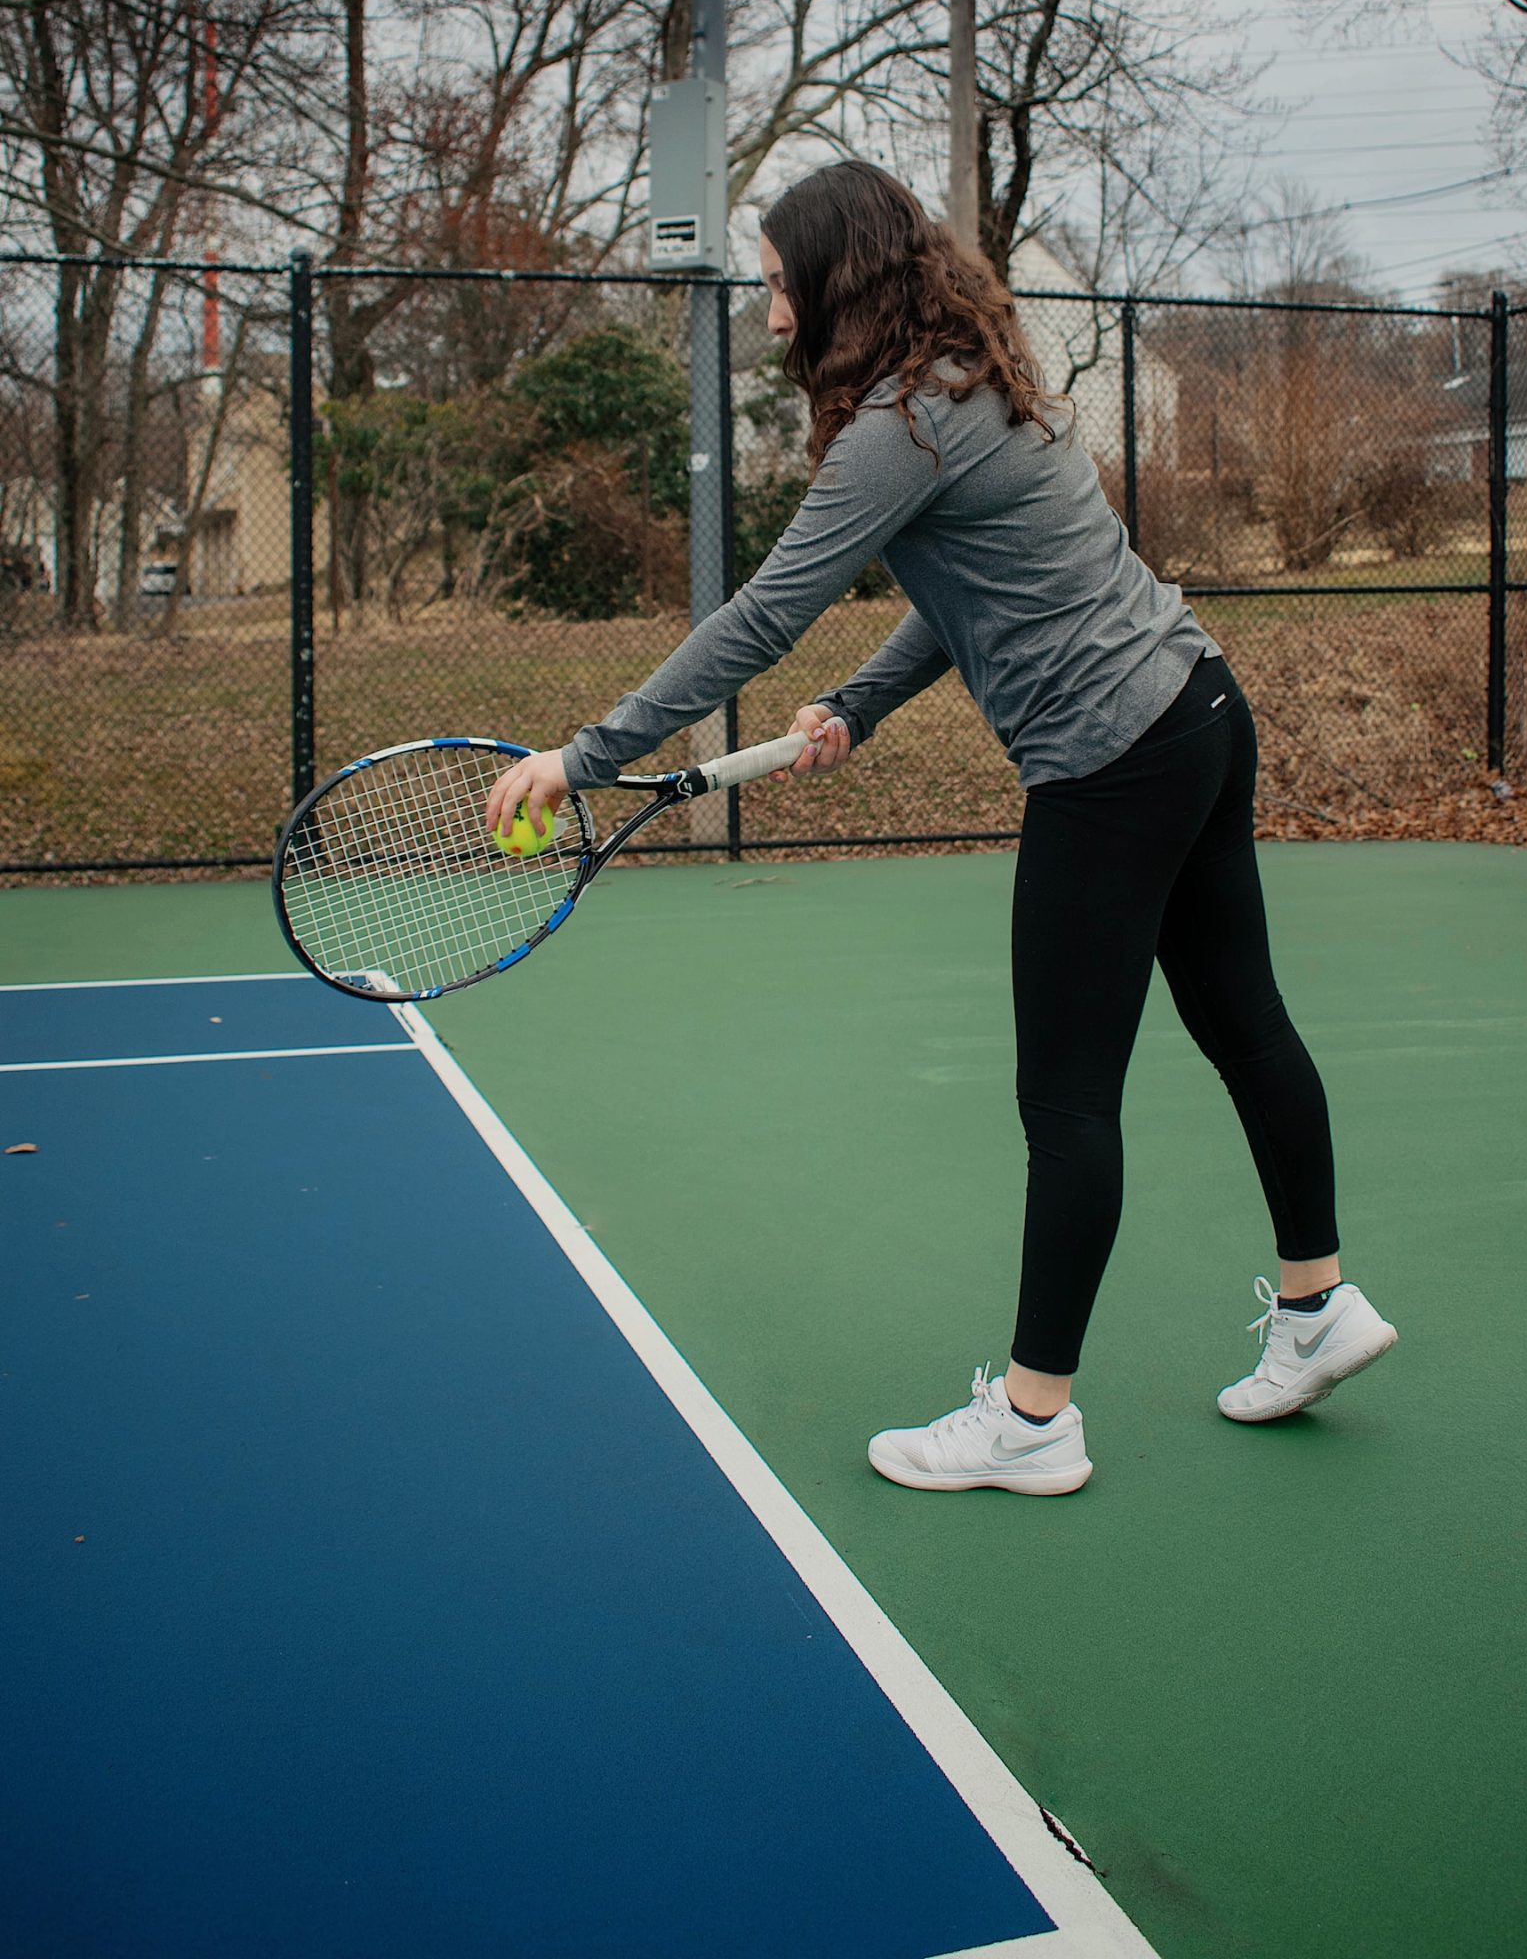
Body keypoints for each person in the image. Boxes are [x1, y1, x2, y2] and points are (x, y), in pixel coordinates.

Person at [489, 160, 1397, 1494]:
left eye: (781, 277)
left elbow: (763, 614)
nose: (769, 300)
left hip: (1114, 761)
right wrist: (862, 701)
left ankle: (1034, 1425)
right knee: (1242, 1020)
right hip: (1198, 709)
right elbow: (960, 588)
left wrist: (586, 753)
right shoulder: (979, 378)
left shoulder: (897, 429)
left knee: (1070, 1100)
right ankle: (1320, 1310)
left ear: (834, 281)